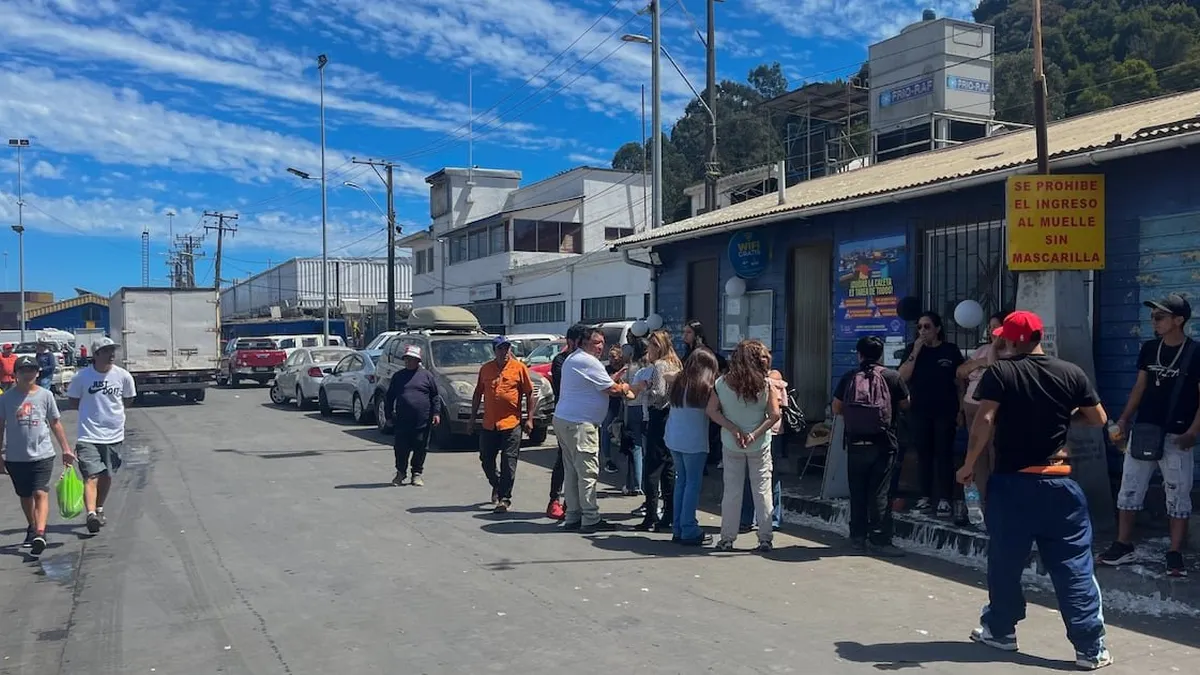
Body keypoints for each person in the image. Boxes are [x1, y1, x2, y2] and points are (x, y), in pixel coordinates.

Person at [958, 310, 1111, 670]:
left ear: (1008, 339)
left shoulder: (1000, 373)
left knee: (1006, 563)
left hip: (1014, 484)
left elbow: (985, 419)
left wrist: (968, 463)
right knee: (1073, 565)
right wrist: (1060, 418)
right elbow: (1098, 419)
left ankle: (1001, 630)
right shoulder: (1071, 372)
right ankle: (1091, 647)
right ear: (1040, 336)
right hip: (1060, 482)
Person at [1099, 294, 1199, 578]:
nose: (1154, 322)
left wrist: (1193, 431)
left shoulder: (1195, 352)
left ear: (1178, 320)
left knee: (1178, 494)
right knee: (1129, 489)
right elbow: (1140, 386)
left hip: (1177, 433)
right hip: (1145, 430)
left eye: (1160, 317)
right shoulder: (1150, 348)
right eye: (1153, 317)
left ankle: (1175, 553)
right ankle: (1123, 544)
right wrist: (1125, 418)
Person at [833, 336, 910, 557]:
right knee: (880, 492)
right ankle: (880, 538)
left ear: (859, 354)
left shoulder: (849, 377)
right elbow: (906, 404)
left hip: (856, 443)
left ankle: (857, 537)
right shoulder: (893, 377)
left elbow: (837, 407)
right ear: (880, 355)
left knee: (857, 491)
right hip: (884, 443)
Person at [554, 326, 631, 533]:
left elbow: (597, 385)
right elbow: (612, 390)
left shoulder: (575, 359)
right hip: (580, 424)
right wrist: (629, 387)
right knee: (587, 472)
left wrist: (614, 377)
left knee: (572, 472)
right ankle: (590, 518)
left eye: (602, 343)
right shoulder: (588, 361)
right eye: (596, 343)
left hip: (566, 421)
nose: (600, 347)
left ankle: (573, 516)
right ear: (584, 342)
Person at [708, 339, 781, 552]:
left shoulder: (721, 383)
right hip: (759, 443)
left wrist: (733, 429)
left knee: (732, 491)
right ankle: (765, 537)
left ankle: (727, 538)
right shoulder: (766, 384)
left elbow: (712, 411)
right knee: (762, 490)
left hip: (732, 443)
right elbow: (775, 414)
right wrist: (755, 433)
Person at [0, 356, 74, 557]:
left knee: (40, 492)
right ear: (15, 374)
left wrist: (66, 449)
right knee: (25, 496)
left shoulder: (46, 395)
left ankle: (40, 533)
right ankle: (32, 526)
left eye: (32, 370)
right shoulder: (5, 399)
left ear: (38, 373)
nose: (28, 374)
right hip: (16, 457)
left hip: (42, 454)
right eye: (23, 370)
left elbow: (55, 423)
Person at [66, 338, 137, 535]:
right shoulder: (82, 377)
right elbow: (73, 402)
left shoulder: (123, 376)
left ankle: (98, 508)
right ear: (96, 354)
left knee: (106, 476)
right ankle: (90, 514)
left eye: (113, 350)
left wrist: (113, 416)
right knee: (91, 475)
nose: (111, 354)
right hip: (88, 435)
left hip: (114, 435)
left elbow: (128, 399)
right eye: (106, 351)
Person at [898, 311, 965, 518]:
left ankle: (945, 498)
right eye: (919, 327)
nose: (922, 331)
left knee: (944, 453)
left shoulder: (950, 351)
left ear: (937, 329)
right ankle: (925, 496)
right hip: (919, 410)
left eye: (927, 327)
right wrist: (915, 352)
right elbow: (901, 377)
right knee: (923, 454)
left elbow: (960, 383)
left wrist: (961, 409)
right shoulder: (913, 350)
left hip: (945, 410)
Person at [470, 336, 536, 514]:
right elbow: (477, 395)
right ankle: (497, 484)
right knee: (486, 460)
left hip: (511, 423)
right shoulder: (486, 369)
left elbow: (530, 394)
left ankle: (504, 498)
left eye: (507, 348)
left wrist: (529, 418)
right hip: (489, 423)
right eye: (500, 348)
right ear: (494, 350)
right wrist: (472, 419)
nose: (504, 352)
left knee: (509, 461)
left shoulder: (519, 368)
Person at [956, 312, 1012, 507]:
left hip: (995, 409)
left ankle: (998, 501)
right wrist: (979, 363)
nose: (991, 332)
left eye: (996, 327)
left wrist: (994, 352)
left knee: (995, 452)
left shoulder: (1012, 353)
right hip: (972, 404)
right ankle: (981, 500)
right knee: (977, 456)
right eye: (989, 327)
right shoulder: (982, 350)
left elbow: (997, 369)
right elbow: (961, 372)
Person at [664, 348, 719, 546]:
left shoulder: (679, 383)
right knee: (692, 485)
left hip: (673, 439)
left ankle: (678, 527)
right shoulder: (707, 387)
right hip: (694, 442)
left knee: (682, 482)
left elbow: (667, 374)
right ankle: (689, 528)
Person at [631, 330, 682, 532]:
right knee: (668, 467)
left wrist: (646, 387)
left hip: (658, 416)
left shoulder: (660, 366)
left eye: (651, 346)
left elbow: (660, 395)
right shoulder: (676, 364)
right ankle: (668, 513)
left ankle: (651, 514)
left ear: (657, 347)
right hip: (672, 418)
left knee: (652, 467)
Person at [740, 369, 790, 533]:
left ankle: (749, 518)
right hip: (773, 432)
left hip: (761, 432)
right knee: (770, 477)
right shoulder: (774, 381)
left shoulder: (763, 381)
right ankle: (771, 518)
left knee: (752, 476)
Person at [546, 324, 587, 520]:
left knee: (580, 464)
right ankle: (554, 499)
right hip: (565, 416)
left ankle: (571, 504)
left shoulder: (587, 361)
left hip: (584, 419)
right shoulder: (561, 361)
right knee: (563, 460)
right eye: (582, 341)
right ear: (571, 341)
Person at [384, 345, 441, 487]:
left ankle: (417, 473)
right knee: (401, 448)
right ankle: (400, 473)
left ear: (417, 360)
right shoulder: (398, 377)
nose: (408, 362)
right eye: (406, 359)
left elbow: (435, 396)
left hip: (422, 420)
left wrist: (436, 413)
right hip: (402, 421)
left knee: (420, 447)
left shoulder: (426, 376)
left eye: (411, 359)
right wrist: (388, 416)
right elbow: (389, 397)